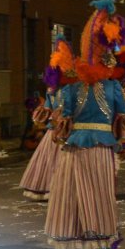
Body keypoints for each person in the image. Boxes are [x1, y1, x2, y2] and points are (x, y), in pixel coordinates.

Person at [44, 0, 125, 249]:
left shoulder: (70, 88)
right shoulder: (113, 87)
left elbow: (59, 119)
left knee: (73, 196)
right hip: (102, 147)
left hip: (75, 147)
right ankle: (103, 245)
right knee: (100, 194)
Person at [20, 35, 76, 201]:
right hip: (55, 130)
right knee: (51, 161)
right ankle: (48, 188)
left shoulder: (70, 89)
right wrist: (44, 114)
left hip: (67, 130)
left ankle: (62, 190)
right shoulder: (53, 90)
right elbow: (48, 107)